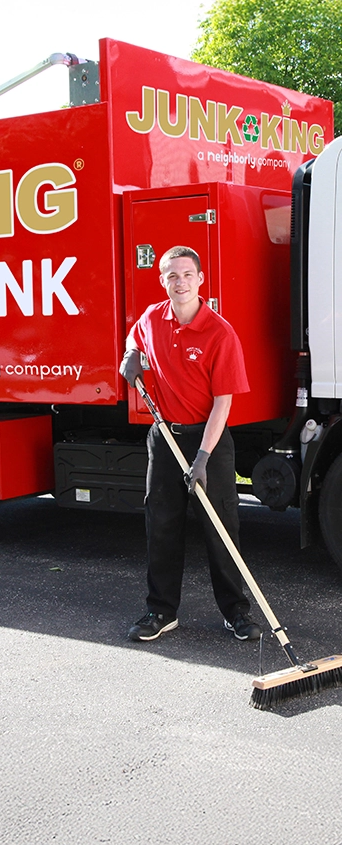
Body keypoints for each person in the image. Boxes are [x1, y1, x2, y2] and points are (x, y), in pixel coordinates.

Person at [120, 245, 261, 643]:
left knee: (221, 529)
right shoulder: (152, 317)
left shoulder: (220, 333)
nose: (179, 282)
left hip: (208, 439)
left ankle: (236, 612)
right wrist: (131, 353)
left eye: (187, 275)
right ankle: (161, 611)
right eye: (171, 276)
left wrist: (202, 457)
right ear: (162, 280)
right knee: (161, 525)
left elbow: (223, 404)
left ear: (200, 280)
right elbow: (136, 333)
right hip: (164, 436)